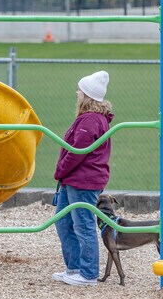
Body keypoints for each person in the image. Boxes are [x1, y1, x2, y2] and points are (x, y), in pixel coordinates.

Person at [51, 70, 113, 287]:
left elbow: (77, 151)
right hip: (76, 180)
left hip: (82, 181)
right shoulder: (91, 119)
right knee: (64, 221)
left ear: (86, 96)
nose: (77, 93)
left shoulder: (90, 121)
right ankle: (75, 267)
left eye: (80, 90)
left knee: (83, 224)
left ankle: (87, 274)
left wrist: (59, 171)